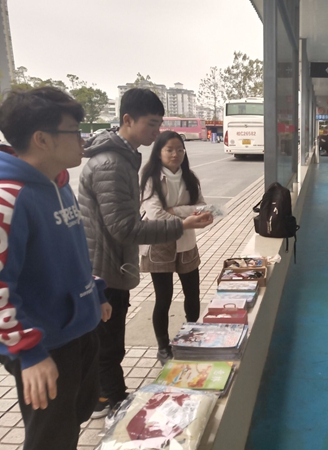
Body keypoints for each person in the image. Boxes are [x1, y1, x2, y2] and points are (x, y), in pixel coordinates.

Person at [78, 88, 213, 418]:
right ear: (127, 120)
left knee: (111, 340)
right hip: (104, 269)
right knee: (109, 343)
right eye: (151, 124)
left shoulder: (124, 158)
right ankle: (110, 400)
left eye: (159, 124)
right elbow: (125, 227)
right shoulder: (111, 164)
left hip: (113, 265)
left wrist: (180, 218)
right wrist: (182, 224)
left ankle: (106, 396)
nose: (157, 132)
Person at [0, 87, 112, 449]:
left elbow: (70, 253)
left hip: (79, 331)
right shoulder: (9, 198)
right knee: (51, 440)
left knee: (74, 420)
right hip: (43, 345)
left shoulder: (59, 184)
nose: (83, 140)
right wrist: (29, 353)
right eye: (75, 132)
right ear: (42, 139)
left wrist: (95, 293)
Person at [139, 131, 207, 365]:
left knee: (193, 293)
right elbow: (155, 214)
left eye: (179, 149)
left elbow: (203, 207)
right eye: (169, 149)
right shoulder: (150, 178)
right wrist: (187, 216)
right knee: (163, 298)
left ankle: (192, 336)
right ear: (159, 152)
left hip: (186, 243)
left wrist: (175, 211)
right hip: (159, 244)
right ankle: (163, 347)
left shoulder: (190, 177)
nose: (175, 154)